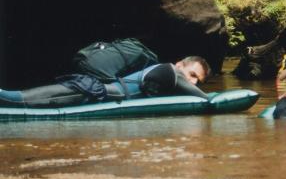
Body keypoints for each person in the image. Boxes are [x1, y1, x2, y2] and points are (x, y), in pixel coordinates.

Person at [0, 56, 210, 108]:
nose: (193, 82)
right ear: (180, 64)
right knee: (17, 100)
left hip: (98, 89)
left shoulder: (165, 72)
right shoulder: (172, 72)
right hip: (97, 91)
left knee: (19, 97)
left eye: (198, 80)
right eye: (192, 74)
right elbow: (205, 100)